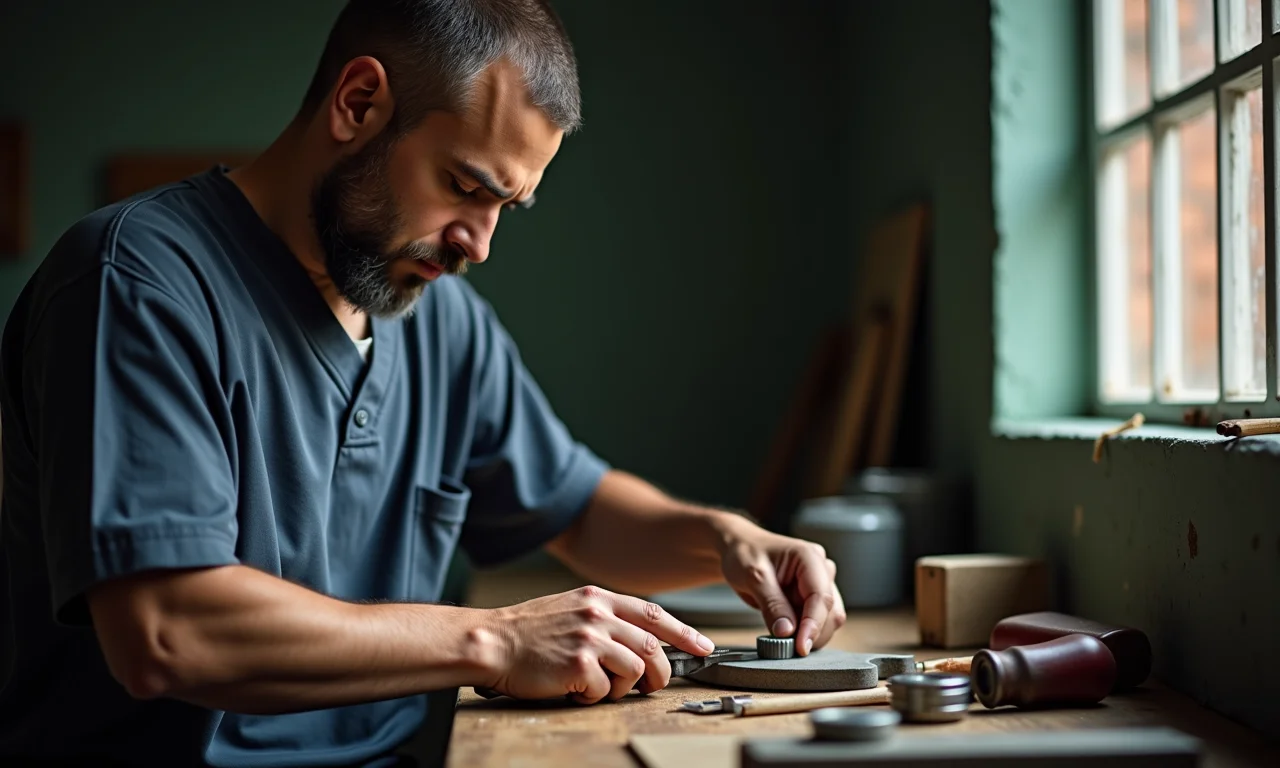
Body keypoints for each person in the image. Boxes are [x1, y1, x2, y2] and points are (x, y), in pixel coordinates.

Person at [0, 1, 846, 765]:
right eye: (464, 187)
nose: (478, 244)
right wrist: (495, 641)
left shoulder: (439, 319)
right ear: (358, 103)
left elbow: (578, 510)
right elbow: (166, 634)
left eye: (504, 209)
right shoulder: (134, 284)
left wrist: (728, 538)